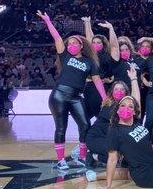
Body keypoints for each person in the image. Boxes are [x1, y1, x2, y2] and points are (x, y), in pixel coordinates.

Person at [37, 10, 107, 170]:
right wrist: (48, 21)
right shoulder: (65, 56)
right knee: (61, 127)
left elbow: (97, 81)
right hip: (59, 95)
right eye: (69, 44)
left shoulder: (90, 62)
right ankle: (60, 160)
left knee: (85, 124)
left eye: (75, 43)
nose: (71, 45)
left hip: (76, 97)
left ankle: (82, 157)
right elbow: (56, 37)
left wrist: (104, 98)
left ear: (82, 45)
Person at [85, 69, 139, 166]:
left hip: (109, 138)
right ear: (112, 92)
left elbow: (136, 104)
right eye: (116, 89)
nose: (119, 92)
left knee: (127, 154)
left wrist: (133, 79)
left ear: (126, 93)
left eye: (122, 89)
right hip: (96, 138)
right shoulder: (108, 105)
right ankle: (93, 156)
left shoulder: (125, 106)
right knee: (117, 155)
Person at [82, 17, 114, 121]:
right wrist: (87, 23)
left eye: (98, 42)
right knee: (86, 115)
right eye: (94, 42)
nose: (95, 44)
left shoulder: (107, 56)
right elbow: (89, 38)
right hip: (89, 87)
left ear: (103, 44)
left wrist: (110, 79)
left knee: (100, 113)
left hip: (102, 87)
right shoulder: (90, 55)